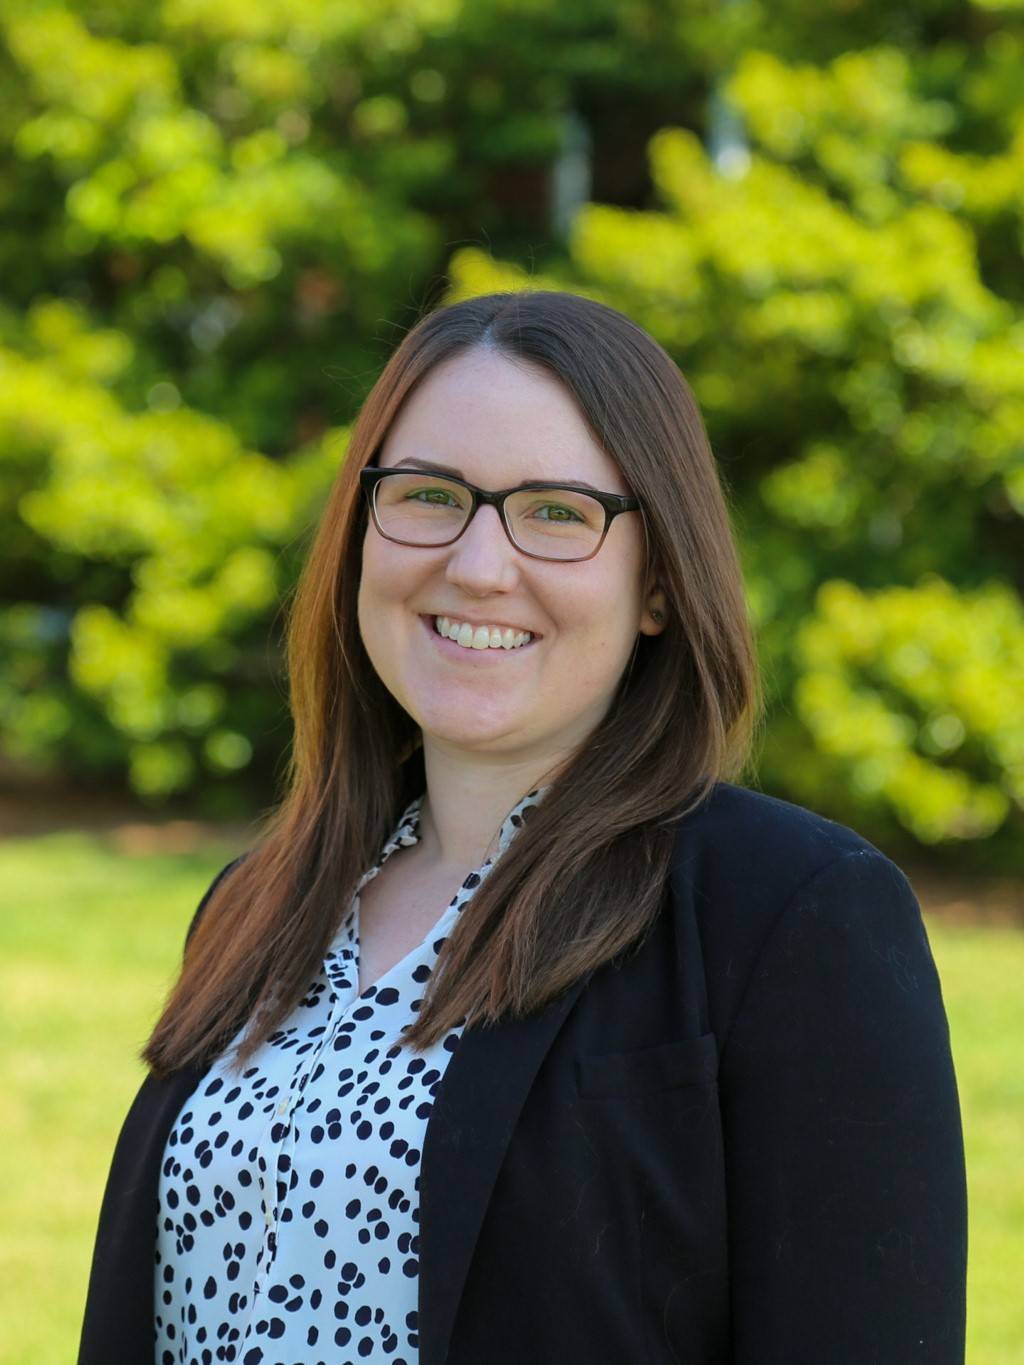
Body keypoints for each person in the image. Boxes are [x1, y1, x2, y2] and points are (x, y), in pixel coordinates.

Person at [79, 290, 967, 1365]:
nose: (477, 564)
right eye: (429, 495)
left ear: (657, 583)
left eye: (556, 511)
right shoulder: (260, 905)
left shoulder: (787, 916)